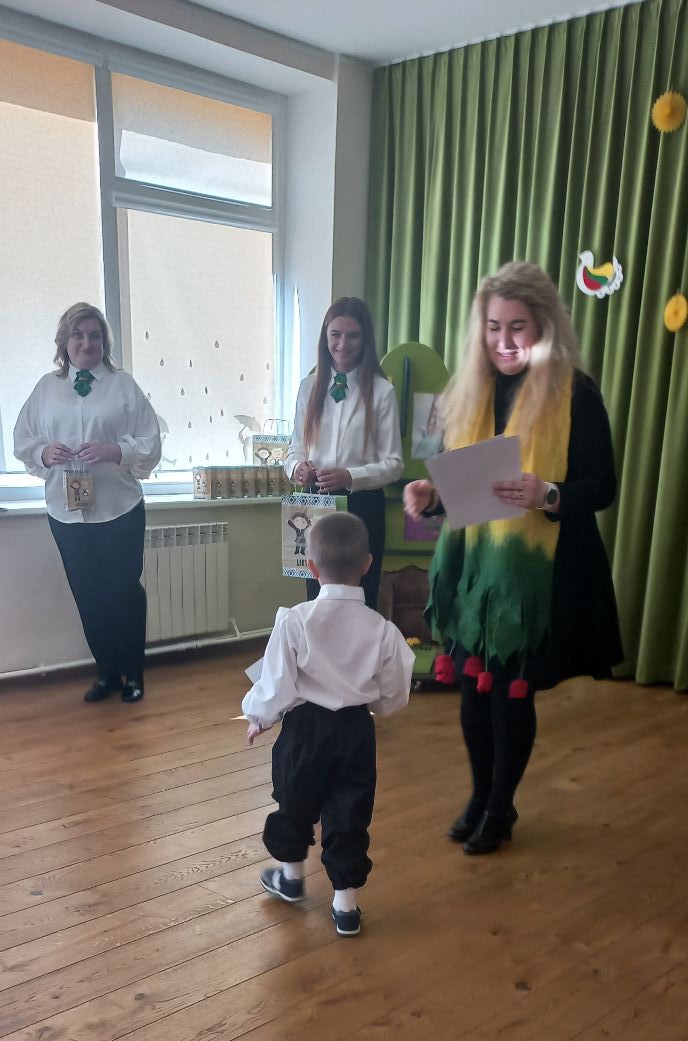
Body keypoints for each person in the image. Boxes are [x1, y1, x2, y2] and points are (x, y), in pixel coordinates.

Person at [404, 261, 622, 854]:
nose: (504, 342)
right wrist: (429, 496)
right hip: (476, 575)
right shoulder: (471, 390)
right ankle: (481, 796)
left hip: (538, 578)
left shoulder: (577, 393)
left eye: (518, 327)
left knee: (509, 695)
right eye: (493, 327)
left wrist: (547, 493)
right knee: (473, 693)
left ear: (544, 326)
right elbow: (467, 485)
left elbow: (603, 488)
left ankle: (500, 809)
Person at [242, 511, 414, 936]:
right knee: (349, 810)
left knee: (294, 801)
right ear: (367, 565)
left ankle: (291, 880)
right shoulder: (383, 630)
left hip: (304, 730)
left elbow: (276, 682)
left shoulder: (294, 620)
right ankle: (345, 907)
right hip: (355, 731)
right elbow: (393, 693)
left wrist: (259, 716)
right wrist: (377, 705)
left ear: (312, 567)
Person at [14, 302, 161, 703]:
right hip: (66, 513)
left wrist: (117, 450)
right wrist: (45, 453)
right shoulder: (47, 388)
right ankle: (107, 674)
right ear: (64, 340)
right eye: (78, 335)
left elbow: (150, 442)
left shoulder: (123, 385)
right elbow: (23, 439)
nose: (86, 343)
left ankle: (133, 675)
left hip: (118, 509)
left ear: (104, 343)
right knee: (88, 595)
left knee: (123, 593)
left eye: (95, 336)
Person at [284, 297, 403, 610]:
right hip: (315, 503)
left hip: (362, 506)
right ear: (325, 336)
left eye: (353, 336)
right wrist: (296, 467)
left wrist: (351, 477)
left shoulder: (382, 391)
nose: (342, 344)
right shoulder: (308, 387)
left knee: (361, 596)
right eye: (335, 334)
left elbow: (394, 464)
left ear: (365, 340)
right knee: (317, 597)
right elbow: (295, 448)